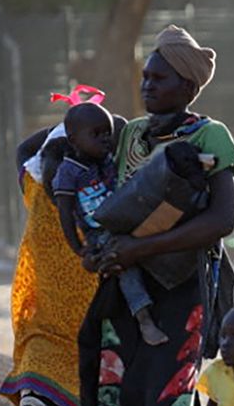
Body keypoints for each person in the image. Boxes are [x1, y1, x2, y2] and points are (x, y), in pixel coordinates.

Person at [80, 25, 234, 406]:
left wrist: (138, 252)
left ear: (189, 83)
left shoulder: (210, 136)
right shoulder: (128, 139)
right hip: (124, 308)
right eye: (145, 77)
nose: (147, 85)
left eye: (160, 77)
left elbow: (221, 220)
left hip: (181, 305)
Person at [0, 102, 123, 406]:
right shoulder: (35, 186)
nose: (57, 173)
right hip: (46, 332)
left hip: (102, 331)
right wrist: (64, 123)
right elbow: (24, 149)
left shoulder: (104, 194)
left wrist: (95, 126)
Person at [49, 100, 170, 346]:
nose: (105, 139)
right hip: (99, 233)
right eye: (96, 134)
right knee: (124, 266)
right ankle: (143, 317)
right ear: (74, 140)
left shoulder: (108, 161)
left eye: (107, 133)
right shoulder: (68, 172)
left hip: (126, 221)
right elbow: (65, 213)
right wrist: (79, 248)